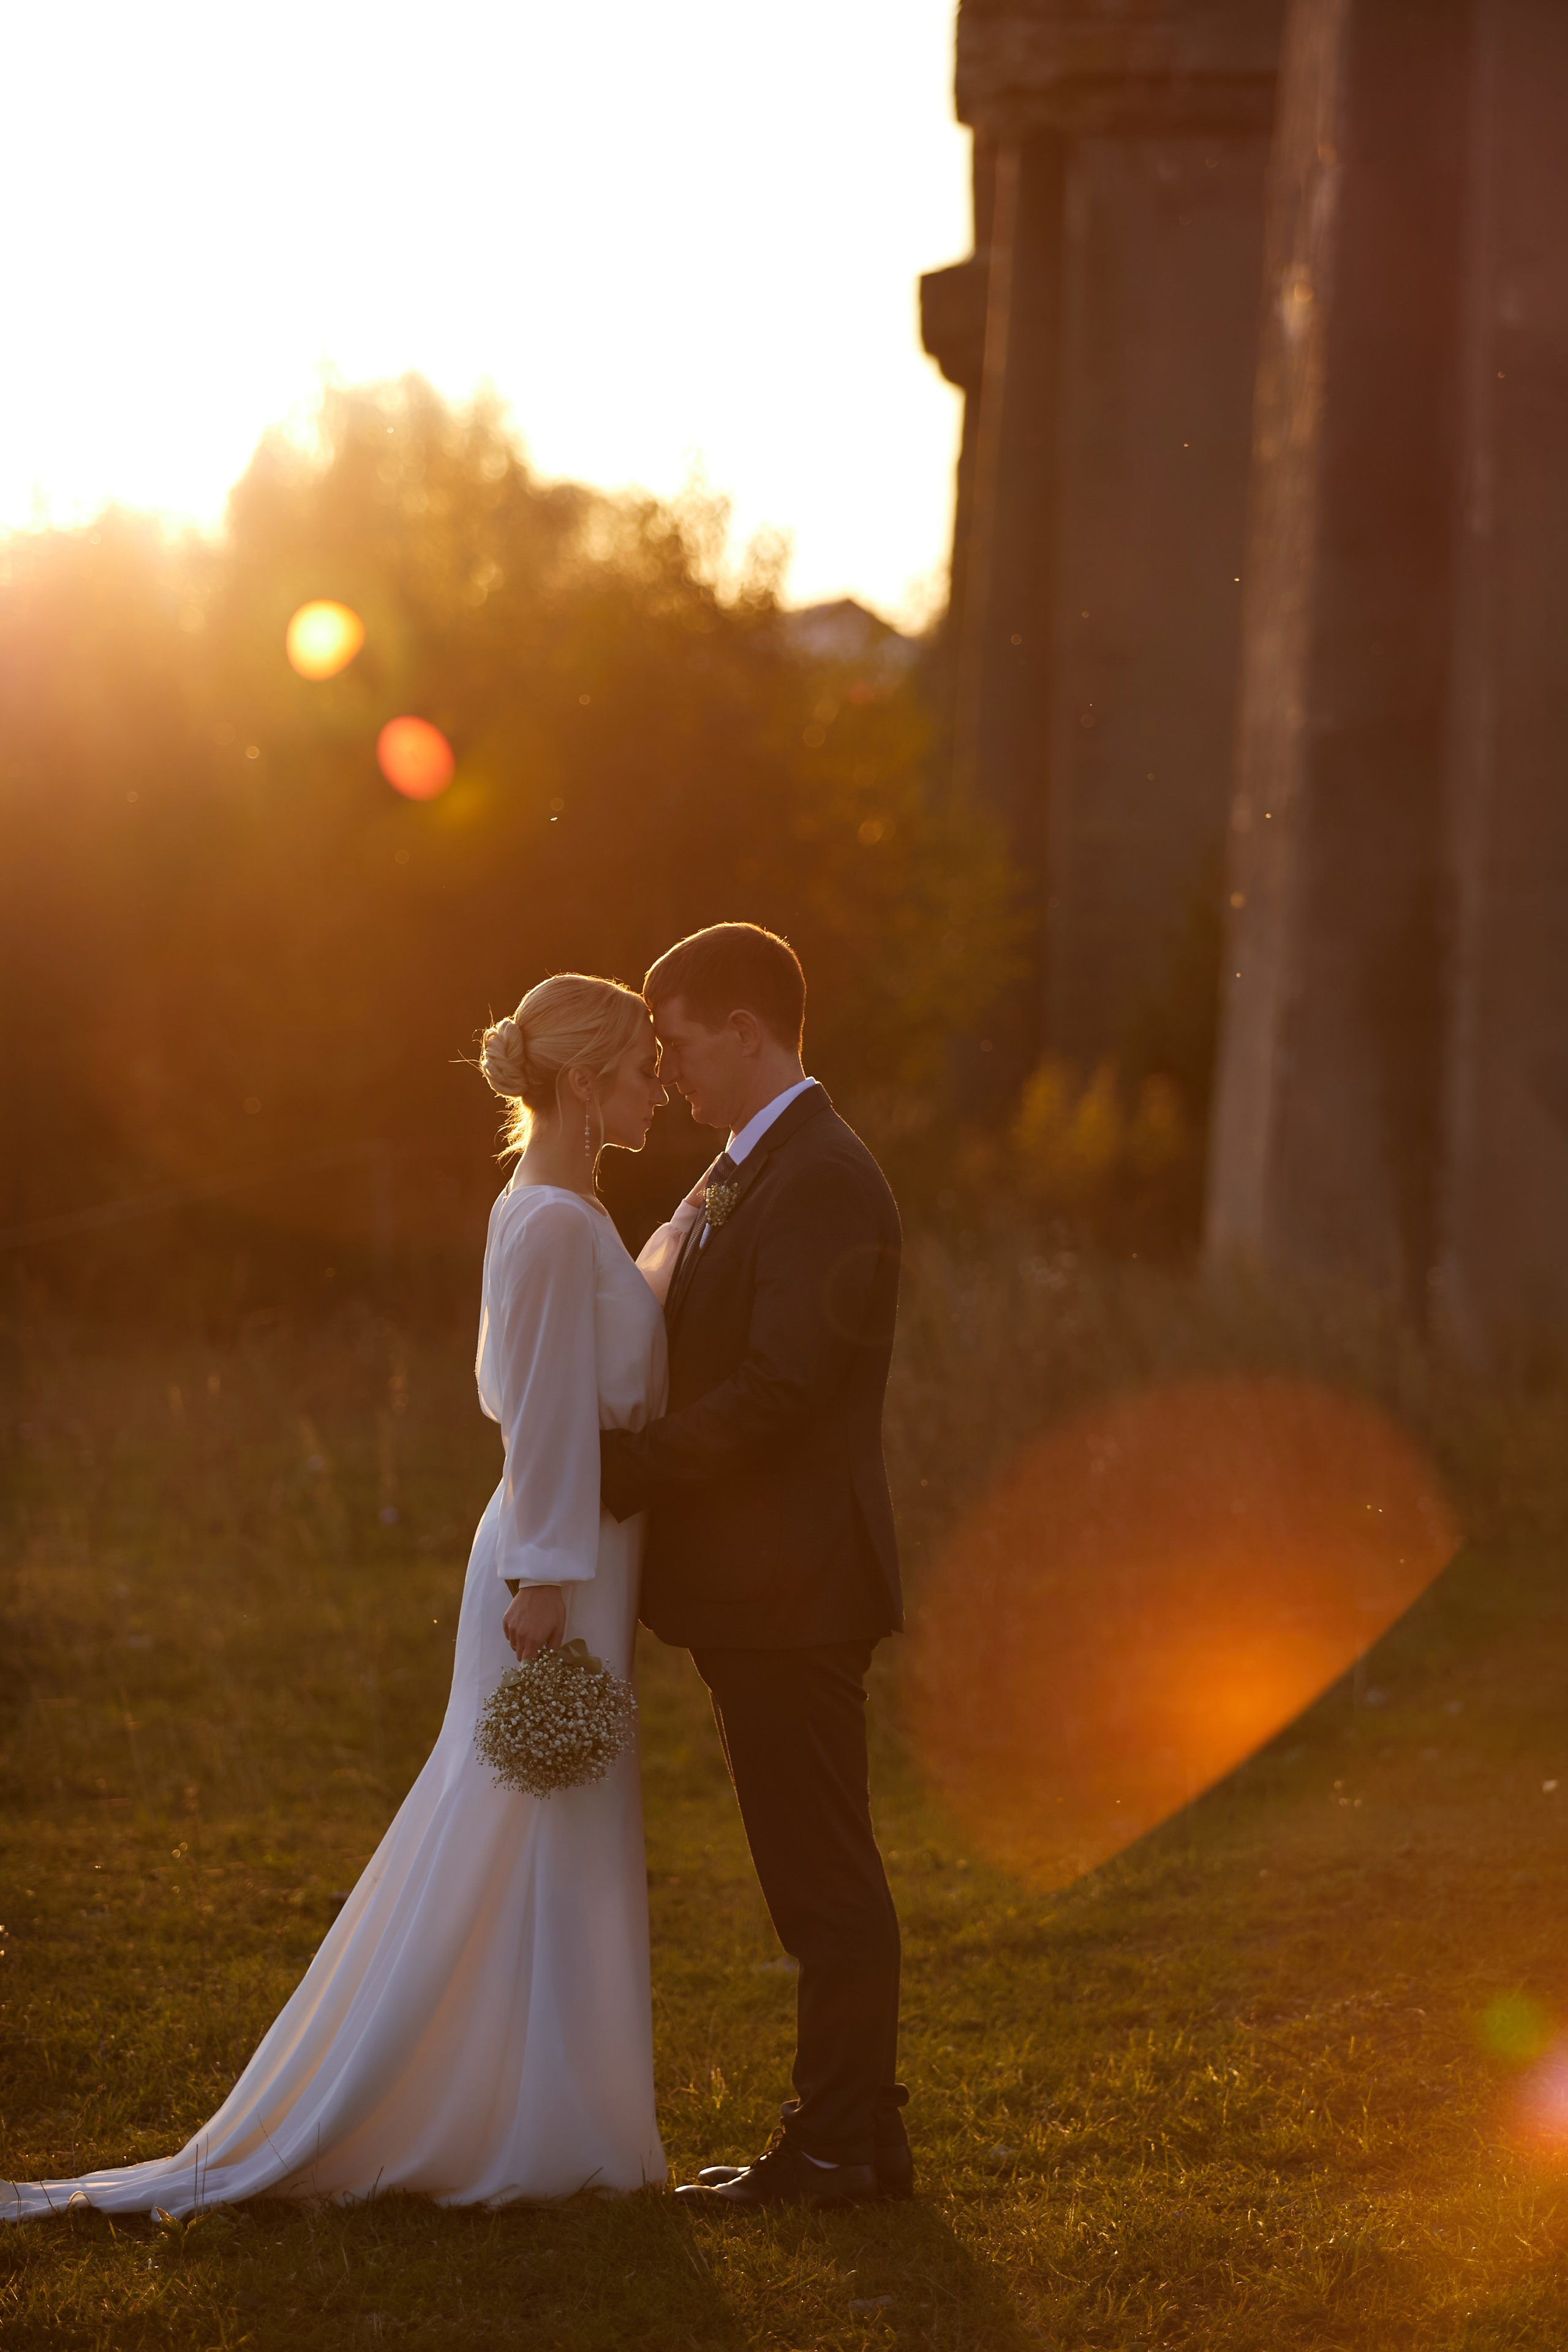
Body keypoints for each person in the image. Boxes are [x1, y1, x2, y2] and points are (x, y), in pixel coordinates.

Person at [4, 974, 673, 2220]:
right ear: (583, 1083)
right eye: (639, 1064)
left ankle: (551, 2107)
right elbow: (538, 1415)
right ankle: (496, 2117)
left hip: (579, 1550)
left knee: (556, 1827)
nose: (658, 1084)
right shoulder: (547, 1224)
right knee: (518, 1819)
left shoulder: (568, 1211)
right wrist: (542, 1576)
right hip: (551, 1566)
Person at [601, 921, 911, 2211]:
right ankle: (850, 2137)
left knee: (821, 1882)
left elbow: (787, 1382)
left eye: (676, 1041)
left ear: (745, 1030)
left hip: (793, 1589)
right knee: (810, 1875)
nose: (666, 1070)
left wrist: (634, 1465)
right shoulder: (751, 1164)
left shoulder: (822, 1176)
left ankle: (842, 2147)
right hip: (759, 1589)